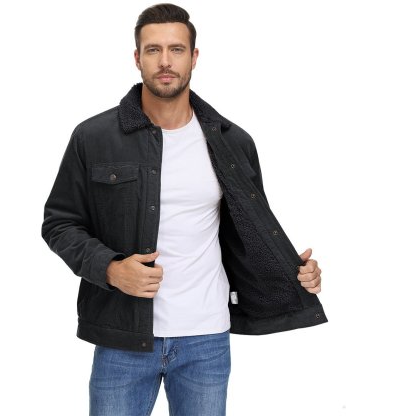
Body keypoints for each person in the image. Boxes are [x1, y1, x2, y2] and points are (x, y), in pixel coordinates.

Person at [41, 3, 327, 415]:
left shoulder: (233, 142)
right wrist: (111, 269)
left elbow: (250, 230)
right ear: (137, 58)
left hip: (206, 339)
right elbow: (59, 223)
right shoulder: (94, 136)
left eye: (176, 49)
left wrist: (294, 271)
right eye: (153, 50)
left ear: (194, 57)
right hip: (123, 337)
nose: (165, 61)